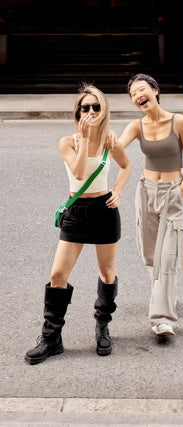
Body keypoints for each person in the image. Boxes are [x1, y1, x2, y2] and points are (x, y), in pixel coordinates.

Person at [25, 84, 130, 365]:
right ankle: (51, 338)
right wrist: (84, 140)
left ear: (104, 110)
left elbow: (126, 166)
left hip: (104, 210)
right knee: (58, 275)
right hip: (77, 209)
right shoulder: (67, 142)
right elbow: (80, 172)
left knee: (107, 272)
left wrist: (117, 191)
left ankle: (102, 327)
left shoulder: (111, 140)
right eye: (86, 107)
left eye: (96, 107)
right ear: (78, 112)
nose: (91, 112)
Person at [115, 73, 183, 336]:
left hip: (173, 190)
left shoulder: (179, 121)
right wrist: (97, 135)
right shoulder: (137, 126)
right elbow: (116, 146)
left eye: (142, 89)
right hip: (146, 191)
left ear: (155, 90)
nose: (139, 95)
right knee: (152, 254)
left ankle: (162, 318)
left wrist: (182, 189)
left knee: (167, 254)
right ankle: (165, 294)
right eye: (133, 94)